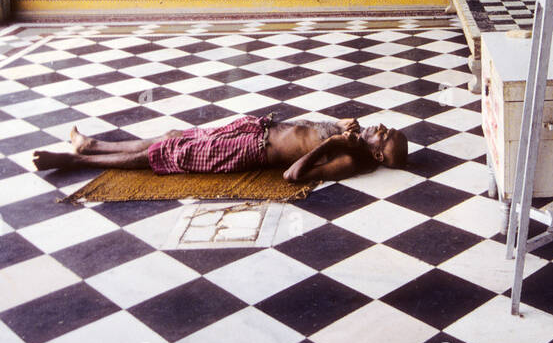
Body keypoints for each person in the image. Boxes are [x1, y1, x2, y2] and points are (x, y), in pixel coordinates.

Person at [31, 113, 409, 184]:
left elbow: (293, 175)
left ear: (378, 155)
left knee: (171, 156)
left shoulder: (346, 159)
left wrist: (334, 141)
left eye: (385, 135)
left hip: (251, 152)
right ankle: (92, 144)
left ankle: (78, 160)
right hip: (255, 128)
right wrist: (339, 124)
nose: (380, 127)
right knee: (172, 138)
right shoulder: (352, 135)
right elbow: (309, 128)